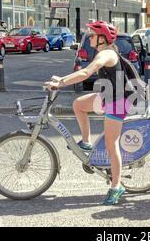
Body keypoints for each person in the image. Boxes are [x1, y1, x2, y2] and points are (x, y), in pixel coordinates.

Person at [44, 21, 129, 205]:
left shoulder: (106, 53)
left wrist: (60, 84)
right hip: (108, 95)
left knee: (111, 145)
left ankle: (116, 187)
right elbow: (82, 73)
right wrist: (62, 79)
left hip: (118, 102)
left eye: (92, 35)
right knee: (79, 104)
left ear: (101, 38)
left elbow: (85, 73)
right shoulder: (103, 51)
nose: (89, 37)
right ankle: (87, 142)